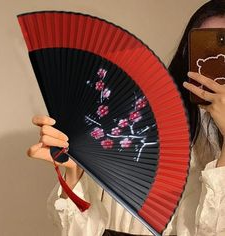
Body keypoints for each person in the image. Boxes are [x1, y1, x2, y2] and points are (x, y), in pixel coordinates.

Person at [27, 0, 225, 235]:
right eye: (207, 48)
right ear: (189, 54)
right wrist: (75, 172)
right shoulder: (138, 123)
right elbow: (83, 231)